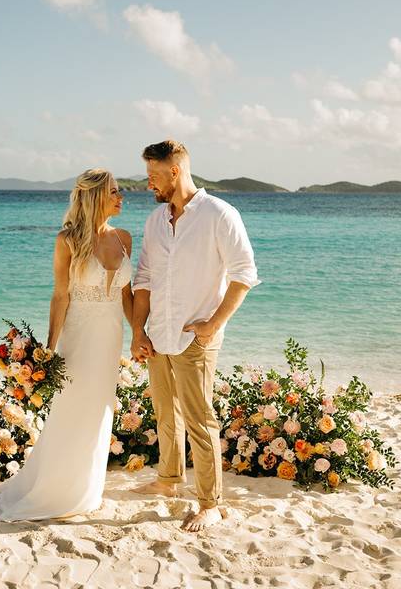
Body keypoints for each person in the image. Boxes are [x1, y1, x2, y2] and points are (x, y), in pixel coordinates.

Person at [130, 140, 260, 532]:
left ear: (175, 171)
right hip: (158, 334)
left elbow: (244, 275)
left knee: (200, 419)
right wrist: (138, 330)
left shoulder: (219, 214)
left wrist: (213, 324)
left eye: (153, 176)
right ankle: (169, 480)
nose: (148, 184)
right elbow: (145, 279)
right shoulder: (155, 220)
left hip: (195, 337)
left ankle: (209, 503)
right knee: (165, 412)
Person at [0, 168, 133, 521]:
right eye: (116, 191)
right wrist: (48, 350)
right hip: (78, 336)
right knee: (71, 408)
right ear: (96, 196)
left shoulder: (124, 238)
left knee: (100, 410)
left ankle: (86, 487)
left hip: (110, 336)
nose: (122, 197)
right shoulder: (67, 240)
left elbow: (128, 295)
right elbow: (60, 296)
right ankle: (56, 488)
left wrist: (140, 335)